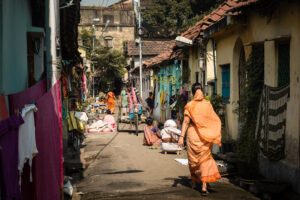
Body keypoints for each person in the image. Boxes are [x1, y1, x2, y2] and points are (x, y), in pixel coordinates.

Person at [178, 83, 221, 195]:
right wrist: (213, 133)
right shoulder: (208, 105)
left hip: (192, 136)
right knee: (205, 160)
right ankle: (204, 186)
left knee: (193, 160)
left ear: (192, 93)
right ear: (202, 91)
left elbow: (186, 122)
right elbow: (214, 120)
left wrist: (181, 137)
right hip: (205, 137)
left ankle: (193, 181)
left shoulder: (190, 105)